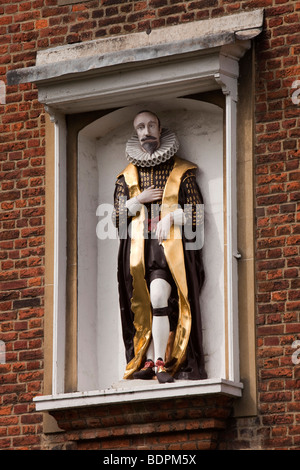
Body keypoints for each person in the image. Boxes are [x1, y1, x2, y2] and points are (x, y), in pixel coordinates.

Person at [113, 110, 207, 383]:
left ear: (160, 127)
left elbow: (198, 214)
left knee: (158, 299)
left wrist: (175, 216)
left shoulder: (182, 171)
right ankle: (150, 360)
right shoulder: (126, 178)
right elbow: (116, 220)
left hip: (167, 251)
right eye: (140, 127)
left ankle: (163, 361)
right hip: (137, 254)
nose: (146, 131)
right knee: (143, 307)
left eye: (150, 125)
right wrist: (137, 200)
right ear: (136, 132)